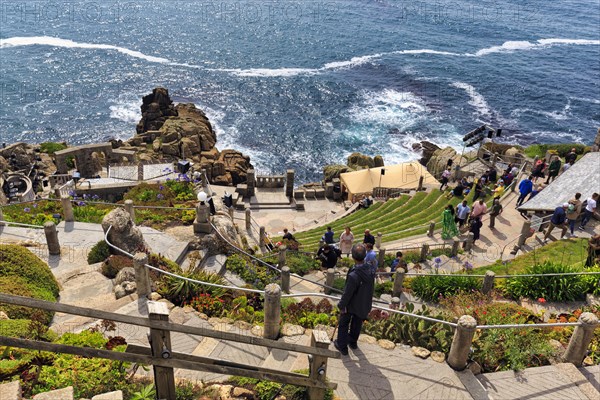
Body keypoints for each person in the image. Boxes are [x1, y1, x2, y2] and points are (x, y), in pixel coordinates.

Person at [334, 244, 374, 356]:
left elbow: (347, 293)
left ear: (353, 256)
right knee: (357, 324)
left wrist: (341, 305)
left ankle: (342, 347)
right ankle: (353, 343)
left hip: (351, 304)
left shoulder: (354, 275)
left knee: (344, 323)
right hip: (364, 303)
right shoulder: (370, 269)